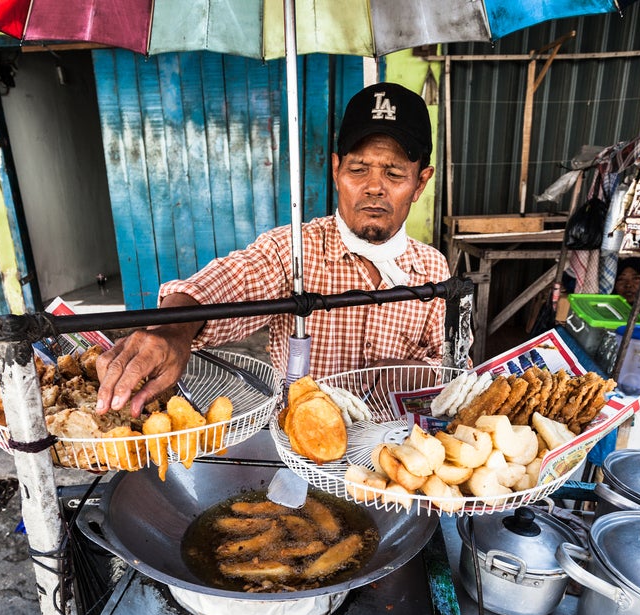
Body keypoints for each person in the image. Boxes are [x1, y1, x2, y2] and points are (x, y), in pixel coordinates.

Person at [95, 82, 445, 417]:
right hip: (300, 456)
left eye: (394, 174)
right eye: (358, 169)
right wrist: (173, 331)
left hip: (395, 461)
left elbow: (451, 366)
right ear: (337, 171)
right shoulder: (292, 251)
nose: (374, 188)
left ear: (420, 183)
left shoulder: (434, 271)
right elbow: (230, 282)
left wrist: (413, 373)